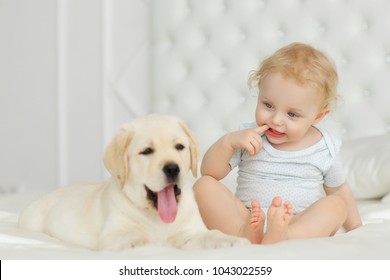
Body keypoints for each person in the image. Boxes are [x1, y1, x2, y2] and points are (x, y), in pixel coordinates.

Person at [193, 42, 362, 244]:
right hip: (247, 216)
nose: (276, 120)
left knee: (336, 205)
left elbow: (339, 189)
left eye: (292, 114)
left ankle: (287, 235)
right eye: (268, 105)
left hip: (297, 220)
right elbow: (210, 172)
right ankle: (241, 233)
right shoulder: (249, 137)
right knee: (203, 185)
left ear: (318, 116)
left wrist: (357, 228)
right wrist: (228, 142)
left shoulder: (324, 148)